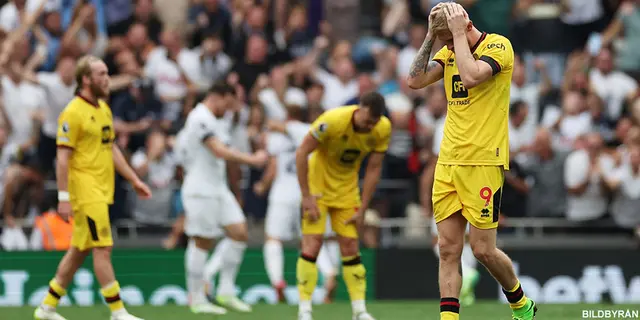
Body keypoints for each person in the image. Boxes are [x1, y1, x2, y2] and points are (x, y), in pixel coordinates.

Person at [406, 3, 537, 320]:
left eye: (449, 38)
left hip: (483, 163)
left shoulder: (498, 45)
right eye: (445, 41)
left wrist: (456, 36)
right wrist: (429, 37)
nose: (447, 46)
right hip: (449, 162)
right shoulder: (448, 50)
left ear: (467, 25)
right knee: (448, 249)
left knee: (482, 250)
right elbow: (415, 80)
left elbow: (472, 76)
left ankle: (520, 303)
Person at [34, 55, 152, 320]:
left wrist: (134, 179)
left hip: (102, 189)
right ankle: (118, 312)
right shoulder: (72, 113)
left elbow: (110, 149)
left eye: (107, 73)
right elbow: (62, 159)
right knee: (103, 248)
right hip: (85, 191)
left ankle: (47, 307)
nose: (107, 79)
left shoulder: (103, 109)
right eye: (101, 74)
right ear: (86, 79)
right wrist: (64, 197)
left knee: (80, 250)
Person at [295, 92, 391, 320]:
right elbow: (302, 153)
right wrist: (306, 196)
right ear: (359, 109)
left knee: (350, 246)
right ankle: (305, 309)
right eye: (367, 120)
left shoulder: (383, 128)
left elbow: (374, 168)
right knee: (312, 244)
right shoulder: (332, 121)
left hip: (347, 191)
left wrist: (364, 207)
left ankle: (359, 311)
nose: (370, 126)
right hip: (318, 188)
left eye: (374, 122)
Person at [180, 82, 268, 315]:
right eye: (228, 104)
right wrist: (252, 160)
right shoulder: (199, 118)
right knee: (202, 241)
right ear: (218, 96)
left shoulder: (217, 121)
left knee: (239, 233)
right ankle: (196, 298)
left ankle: (226, 291)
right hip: (200, 189)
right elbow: (218, 150)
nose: (229, 110)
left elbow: (224, 156)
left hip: (218, 188)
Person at [258, 105, 341, 303]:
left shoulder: (289, 132)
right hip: (309, 193)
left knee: (273, 239)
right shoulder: (314, 133)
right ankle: (329, 272)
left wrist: (262, 186)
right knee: (309, 240)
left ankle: (277, 281)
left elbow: (273, 166)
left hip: (282, 195)